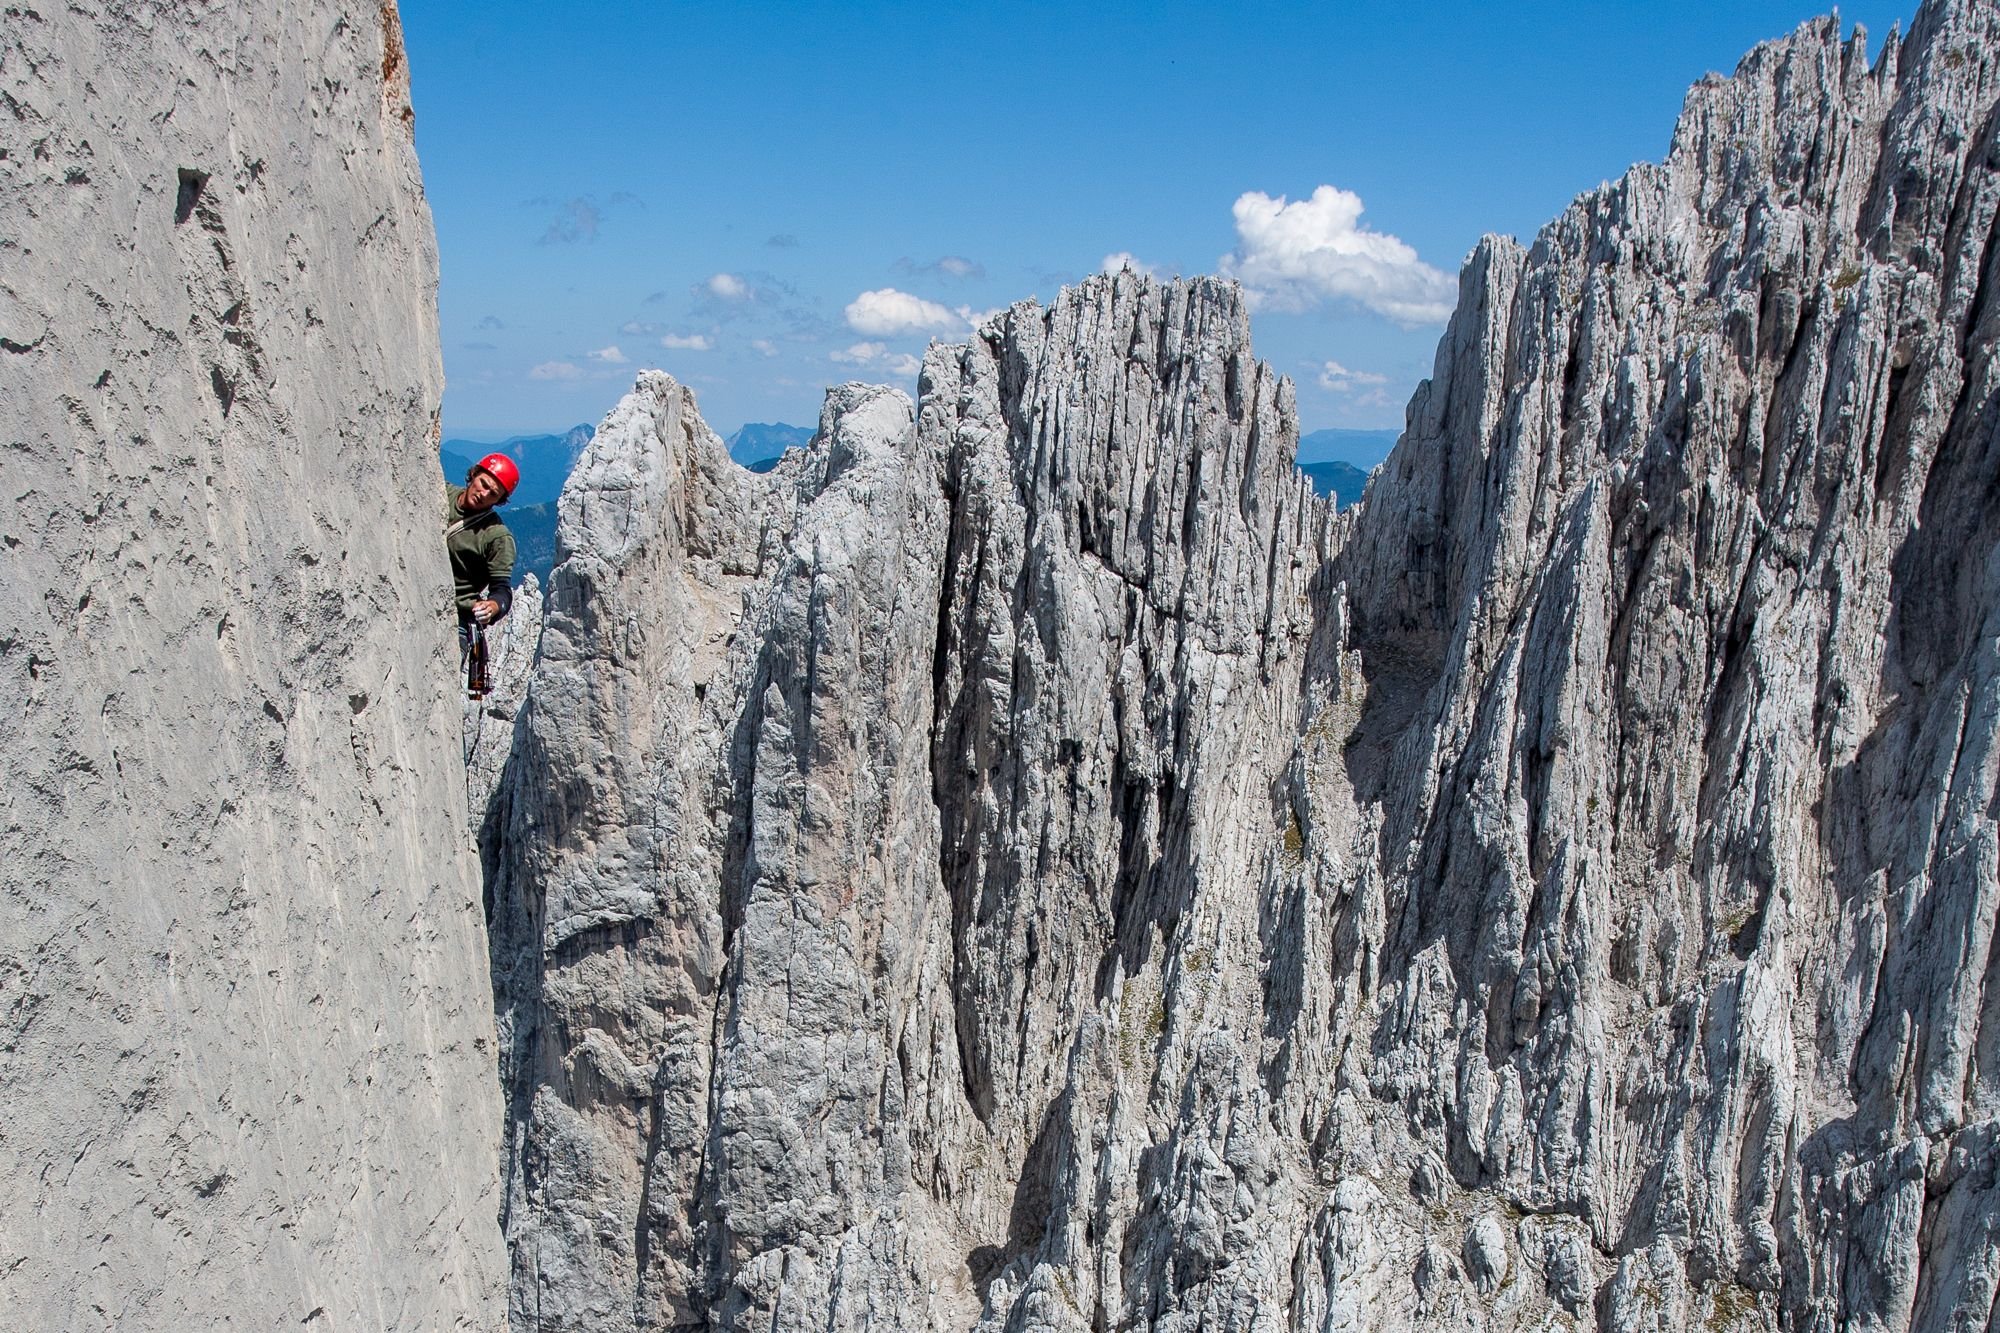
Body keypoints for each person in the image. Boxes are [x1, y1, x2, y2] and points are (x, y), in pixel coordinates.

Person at [445, 453, 519, 658]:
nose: (483, 493)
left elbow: (502, 590)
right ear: (474, 475)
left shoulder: (497, 536)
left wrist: (492, 607)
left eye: (493, 494)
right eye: (483, 483)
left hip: (455, 615)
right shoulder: (441, 493)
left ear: (500, 501)